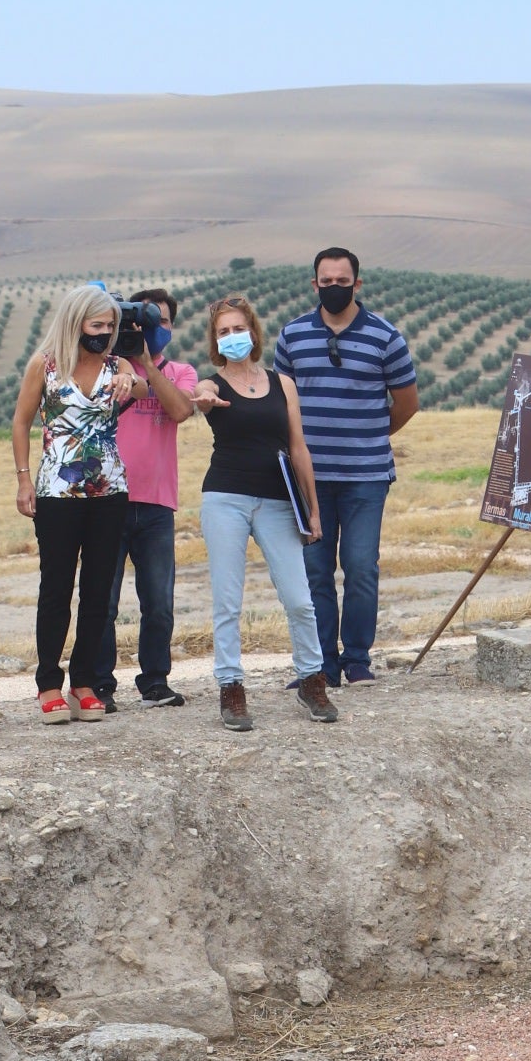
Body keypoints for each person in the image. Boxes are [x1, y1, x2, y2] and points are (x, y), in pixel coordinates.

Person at [274, 247, 418, 689]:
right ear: (313, 284)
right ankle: (320, 665)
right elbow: (282, 401)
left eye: (342, 281)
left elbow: (407, 403)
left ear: (357, 283)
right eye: (326, 281)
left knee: (360, 567)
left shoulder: (385, 336)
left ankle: (357, 658)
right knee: (314, 572)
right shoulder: (292, 335)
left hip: (366, 476)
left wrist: (368, 437)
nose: (333, 288)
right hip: (308, 479)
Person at [194, 297, 329, 732]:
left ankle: (312, 678)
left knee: (299, 598)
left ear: (253, 331)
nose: (232, 337)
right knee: (228, 601)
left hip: (277, 500)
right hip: (226, 497)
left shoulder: (282, 383)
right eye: (223, 332)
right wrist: (204, 398)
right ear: (216, 341)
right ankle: (231, 687)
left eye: (238, 328)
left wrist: (313, 509)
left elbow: (298, 446)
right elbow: (202, 396)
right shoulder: (212, 383)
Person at [11, 286, 141, 724]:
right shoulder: (44, 365)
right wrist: (23, 479)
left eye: (110, 327)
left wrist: (132, 378)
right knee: (56, 589)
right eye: (96, 326)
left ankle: (84, 683)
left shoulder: (117, 366)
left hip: (109, 490)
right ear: (75, 322)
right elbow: (21, 421)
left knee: (99, 591)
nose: (104, 334)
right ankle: (48, 683)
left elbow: (141, 387)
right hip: (56, 493)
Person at [101, 288, 197, 708]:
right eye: (144, 322)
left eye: (161, 322)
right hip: (108, 498)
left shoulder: (180, 372)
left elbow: (179, 410)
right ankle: (98, 682)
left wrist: (144, 363)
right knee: (101, 600)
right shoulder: (104, 369)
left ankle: (155, 680)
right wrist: (123, 360)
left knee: (158, 601)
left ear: (170, 328)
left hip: (157, 503)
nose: (154, 330)